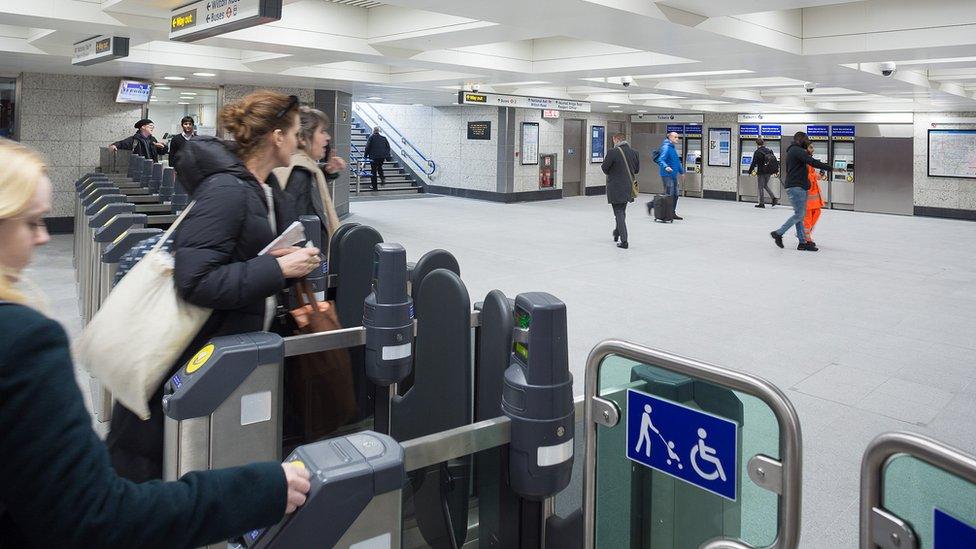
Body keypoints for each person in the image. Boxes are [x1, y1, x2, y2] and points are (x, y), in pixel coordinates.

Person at [0, 138, 311, 548]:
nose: (43, 237)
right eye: (32, 222)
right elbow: (95, 516)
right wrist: (262, 489)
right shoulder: (23, 340)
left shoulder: (259, 190)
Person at [106, 91, 322, 482]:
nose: (299, 141)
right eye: (294, 132)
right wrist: (277, 270)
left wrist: (287, 264)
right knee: (157, 478)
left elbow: (244, 261)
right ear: (276, 136)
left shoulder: (265, 190)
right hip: (190, 360)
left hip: (228, 355)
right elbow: (196, 280)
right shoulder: (227, 190)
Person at [276, 106, 346, 247]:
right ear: (302, 138)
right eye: (322, 131)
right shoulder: (299, 173)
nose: (328, 137)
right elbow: (304, 231)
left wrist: (326, 170)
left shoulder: (295, 165)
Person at [770, 132, 832, 252]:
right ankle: (778, 233)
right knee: (800, 215)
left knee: (800, 215)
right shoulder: (797, 151)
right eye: (807, 141)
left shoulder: (795, 152)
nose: (809, 145)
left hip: (799, 187)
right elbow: (812, 165)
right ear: (801, 140)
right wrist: (830, 168)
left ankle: (802, 242)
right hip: (797, 187)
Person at [601, 133, 639, 249]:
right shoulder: (634, 153)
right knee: (621, 211)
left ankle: (624, 241)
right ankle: (617, 233)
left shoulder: (613, 152)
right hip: (628, 187)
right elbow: (637, 170)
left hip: (616, 187)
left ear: (616, 140)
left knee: (618, 212)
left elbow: (604, 168)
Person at [657, 131, 685, 220]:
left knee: (675, 194)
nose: (677, 139)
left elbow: (676, 162)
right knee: (670, 194)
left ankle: (672, 212)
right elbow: (661, 159)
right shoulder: (666, 147)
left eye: (677, 137)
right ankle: (667, 213)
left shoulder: (672, 148)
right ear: (670, 138)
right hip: (667, 175)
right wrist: (666, 167)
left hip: (673, 175)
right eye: (675, 137)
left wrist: (682, 171)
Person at [803, 143, 826, 248]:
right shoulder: (803, 160)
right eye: (811, 147)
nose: (813, 149)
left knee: (817, 212)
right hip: (807, 194)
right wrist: (815, 176)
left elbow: (812, 175)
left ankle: (805, 233)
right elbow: (806, 176)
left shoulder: (809, 160)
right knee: (807, 217)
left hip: (814, 195)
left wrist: (819, 175)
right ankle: (807, 238)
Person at [748, 138, 779, 208]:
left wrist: (750, 171)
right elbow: (773, 161)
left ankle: (761, 203)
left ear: (757, 144)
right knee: (765, 185)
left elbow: (753, 163)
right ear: (763, 143)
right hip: (769, 172)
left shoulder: (757, 152)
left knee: (760, 187)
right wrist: (776, 170)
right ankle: (773, 198)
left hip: (761, 172)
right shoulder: (769, 151)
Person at [364, 126, 391, 191]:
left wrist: (365, 156)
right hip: (382, 157)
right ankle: (382, 177)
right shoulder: (384, 138)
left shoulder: (371, 138)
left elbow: (367, 147)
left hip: (373, 157)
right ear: (378, 131)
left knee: (373, 171)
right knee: (379, 167)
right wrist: (385, 155)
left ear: (373, 131)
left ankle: (375, 187)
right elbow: (388, 147)